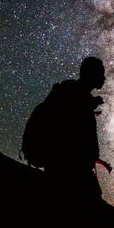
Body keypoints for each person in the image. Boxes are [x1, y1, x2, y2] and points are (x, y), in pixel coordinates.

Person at [43, 57, 107, 204]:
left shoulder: (75, 93)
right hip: (70, 169)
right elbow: (71, 130)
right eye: (100, 73)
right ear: (91, 73)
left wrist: (92, 103)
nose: (103, 77)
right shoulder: (77, 95)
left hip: (65, 166)